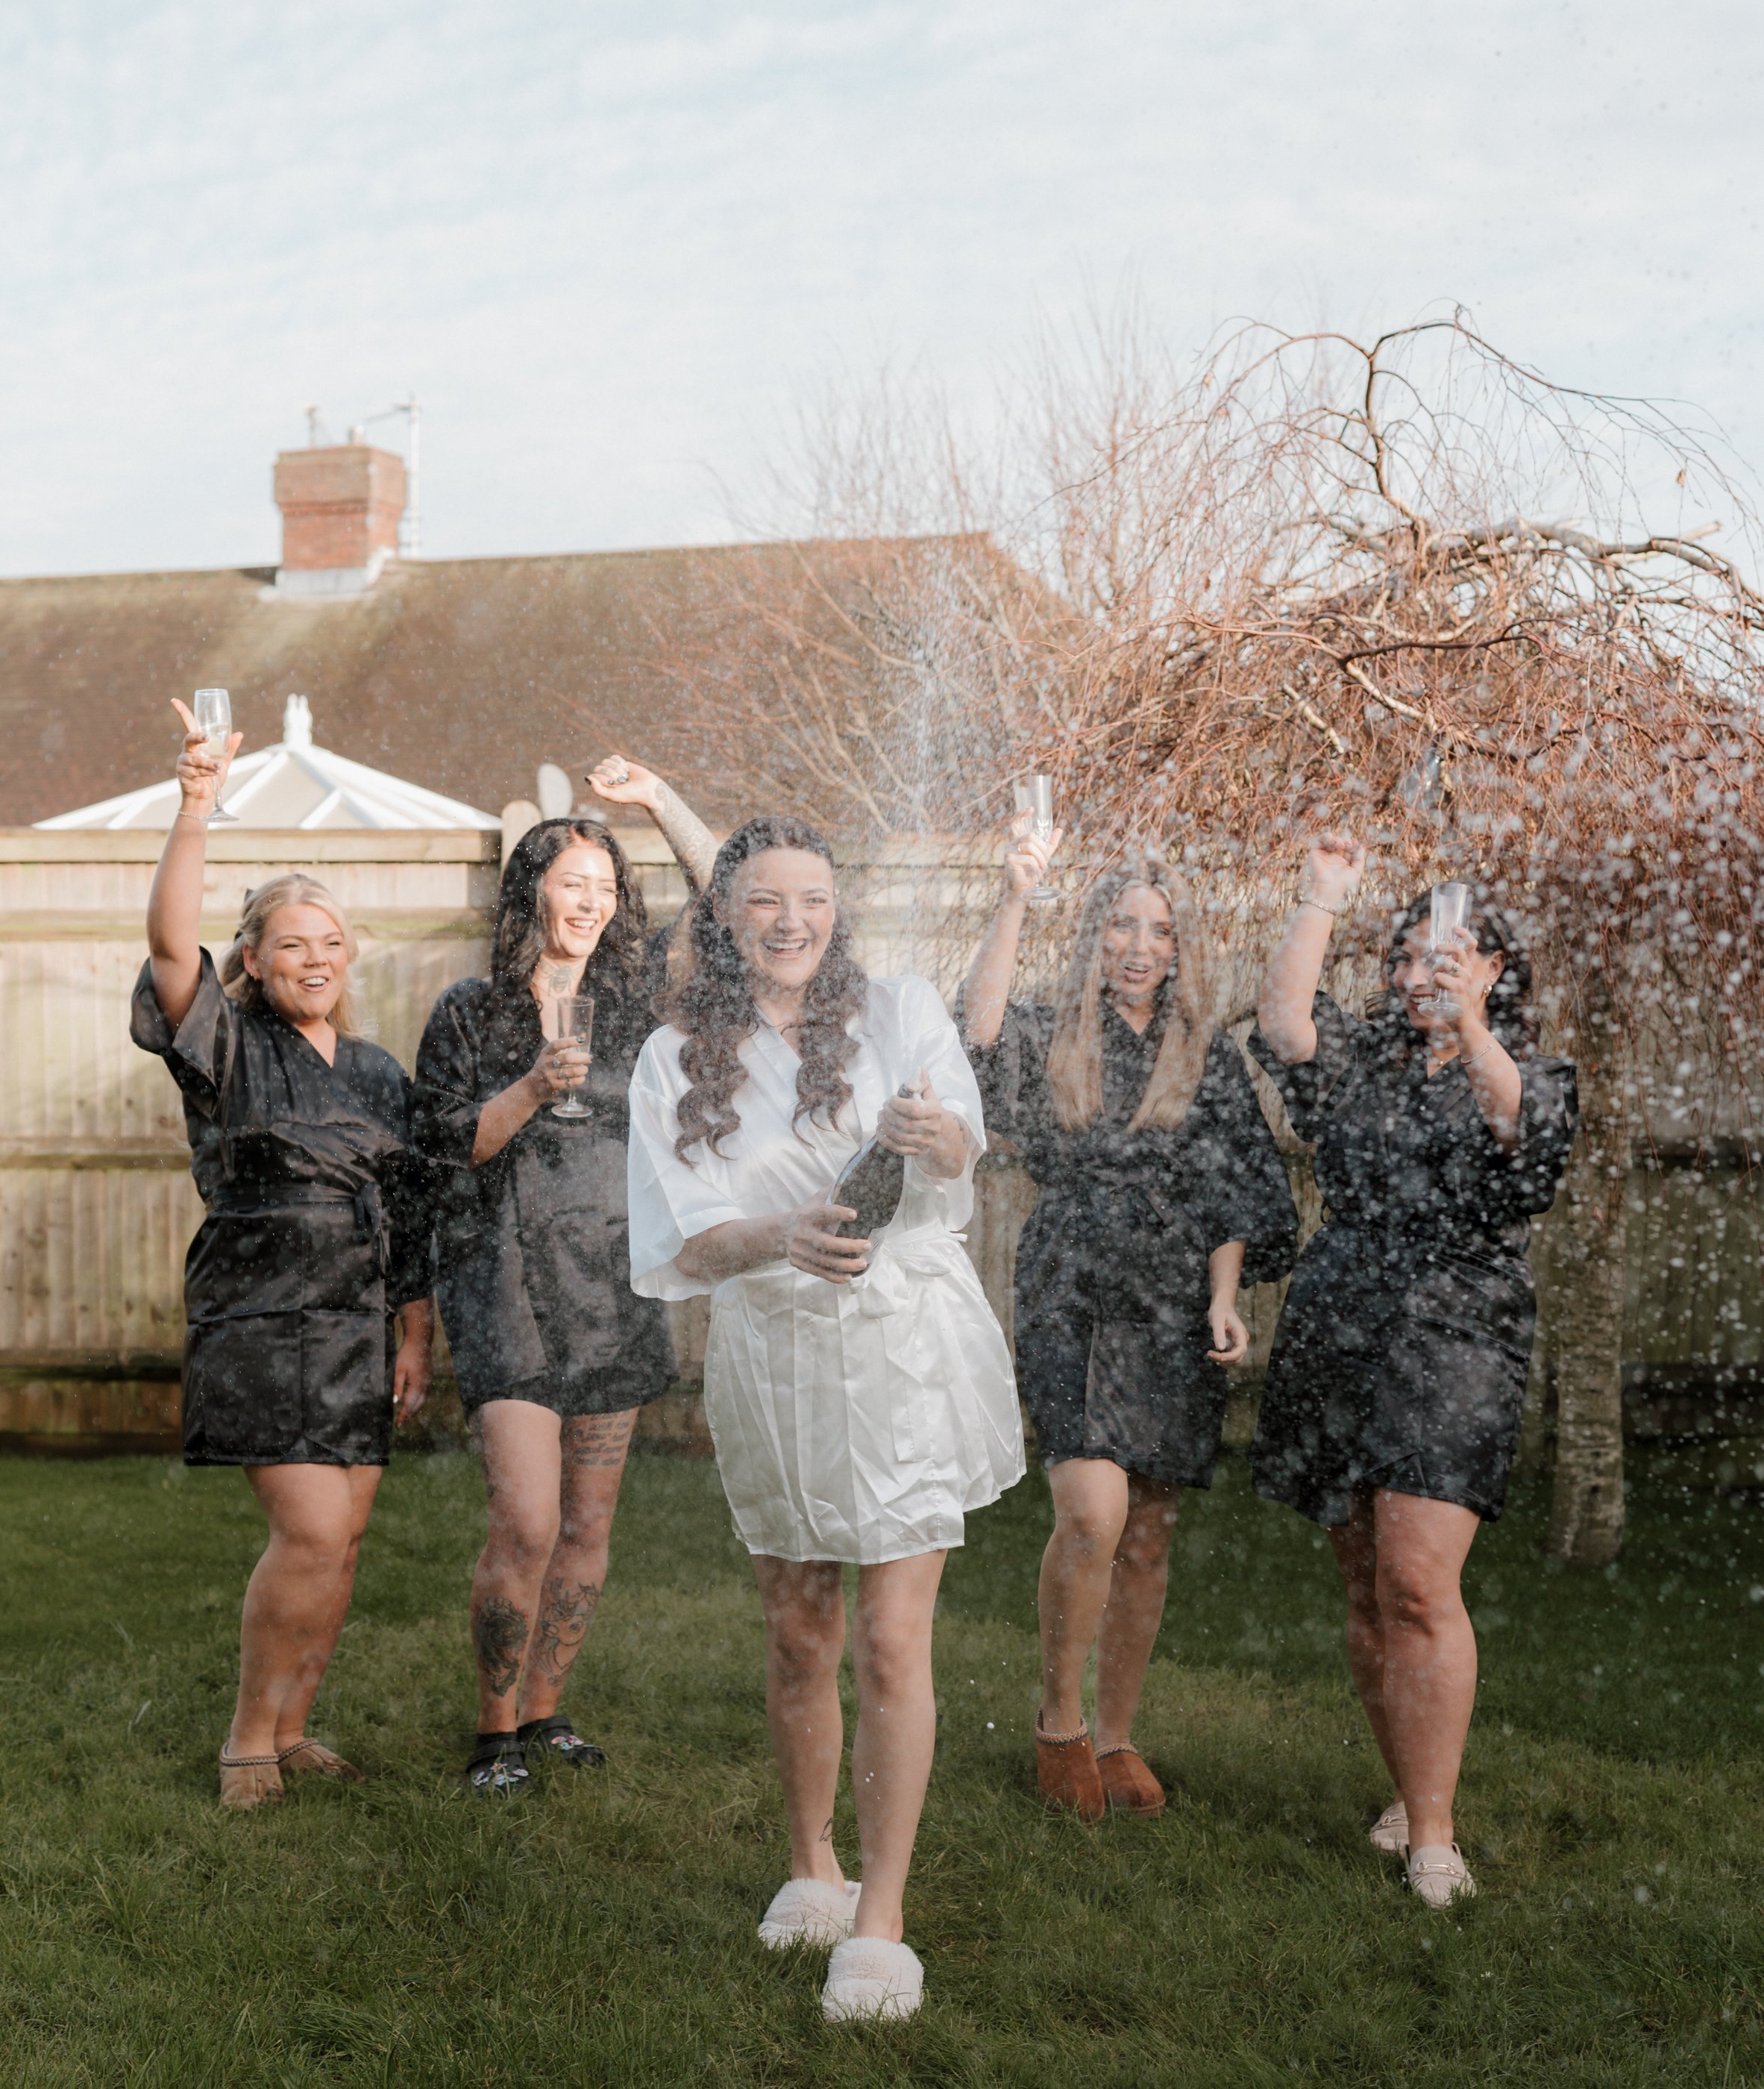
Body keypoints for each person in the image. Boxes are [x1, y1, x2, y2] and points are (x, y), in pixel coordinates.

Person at [628, 817, 1023, 2023]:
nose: (790, 919)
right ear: (727, 915)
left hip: (902, 1349)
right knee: (799, 1628)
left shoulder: (901, 1011)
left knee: (892, 1642)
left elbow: (963, 1145)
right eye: (763, 900)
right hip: (773, 1354)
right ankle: (812, 1867)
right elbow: (681, 1238)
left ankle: (882, 1921)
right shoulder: (670, 1058)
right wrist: (777, 1238)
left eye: (811, 897)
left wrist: (931, 1133)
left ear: (837, 911)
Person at [1251, 835, 1577, 1908]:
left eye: (1455, 955)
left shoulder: (1537, 1069)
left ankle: (1434, 1834)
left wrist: (1472, 1023)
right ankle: (1407, 1787)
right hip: (1342, 1319)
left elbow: (1513, 1125)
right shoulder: (1365, 1063)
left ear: (1494, 969)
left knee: (1420, 1582)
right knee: (1363, 1585)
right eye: (1411, 957)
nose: (1426, 972)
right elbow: (1285, 1026)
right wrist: (1319, 900)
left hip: (1460, 1329)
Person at [961, 821, 1296, 1823]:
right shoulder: (1050, 1028)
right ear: (1093, 936)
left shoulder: (1209, 1054)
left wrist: (1226, 1296)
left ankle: (1116, 1733)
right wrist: (1016, 894)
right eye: (1121, 925)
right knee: (1093, 1513)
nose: (1140, 946)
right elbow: (973, 1036)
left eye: (1159, 931)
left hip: (1171, 1302)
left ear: (1180, 949)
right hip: (1073, 1288)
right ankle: (1058, 1720)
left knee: (1147, 1535)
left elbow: (1236, 1183)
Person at [132, 700, 435, 1809]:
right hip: (260, 1325)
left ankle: (298, 1726)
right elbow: (171, 946)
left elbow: (406, 1213)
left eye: (331, 944)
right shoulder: (223, 1043)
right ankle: (248, 1739)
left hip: (358, 1326)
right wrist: (197, 803)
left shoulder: (375, 1070)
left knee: (344, 1544)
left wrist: (414, 1331)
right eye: (290, 944)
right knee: (308, 1532)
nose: (315, 958)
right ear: (252, 962)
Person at [413, 760, 720, 1797]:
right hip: (504, 1281)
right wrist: (531, 1087)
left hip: (616, 1281)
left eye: (605, 887)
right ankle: (493, 1730)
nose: (589, 902)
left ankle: (545, 1711)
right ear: (531, 890)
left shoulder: (638, 1004)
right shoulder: (469, 1012)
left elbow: (729, 907)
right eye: (570, 881)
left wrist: (661, 801)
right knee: (530, 1523)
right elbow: (446, 1147)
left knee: (589, 1528)